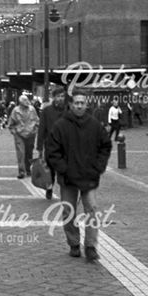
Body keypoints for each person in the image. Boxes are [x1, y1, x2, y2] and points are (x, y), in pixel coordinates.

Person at [46, 90, 112, 261]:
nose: (80, 105)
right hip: (68, 178)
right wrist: (63, 168)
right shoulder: (61, 126)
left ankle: (90, 246)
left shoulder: (94, 125)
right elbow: (52, 150)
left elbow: (105, 145)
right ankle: (74, 243)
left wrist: (99, 166)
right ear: (71, 104)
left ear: (86, 104)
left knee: (92, 210)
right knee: (69, 211)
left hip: (89, 176)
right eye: (77, 103)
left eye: (82, 102)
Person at [33, 86, 67, 199]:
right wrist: (39, 148)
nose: (61, 99)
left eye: (62, 96)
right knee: (51, 171)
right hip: (51, 147)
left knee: (64, 172)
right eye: (58, 96)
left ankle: (65, 192)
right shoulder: (47, 111)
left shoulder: (68, 110)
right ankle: (49, 188)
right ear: (54, 97)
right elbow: (42, 129)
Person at [8, 94, 39, 179]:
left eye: (27, 100)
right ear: (20, 102)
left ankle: (28, 170)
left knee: (29, 153)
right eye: (24, 100)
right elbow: (11, 124)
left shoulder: (32, 109)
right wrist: (14, 132)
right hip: (19, 135)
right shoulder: (15, 110)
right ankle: (21, 171)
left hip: (31, 134)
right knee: (21, 153)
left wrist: (35, 130)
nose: (27, 102)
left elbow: (37, 121)